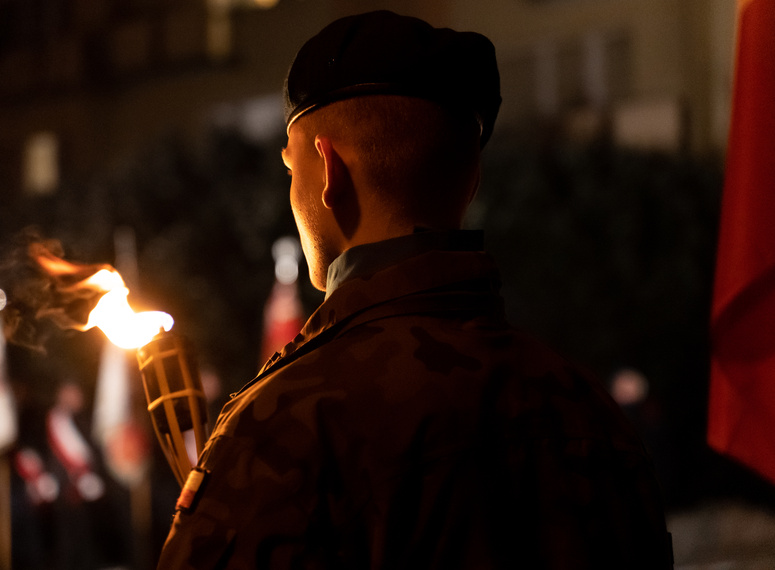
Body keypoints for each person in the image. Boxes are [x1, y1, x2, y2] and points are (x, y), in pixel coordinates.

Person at [157, 10, 673, 569]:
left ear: (328, 171)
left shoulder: (288, 424)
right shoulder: (588, 413)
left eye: (291, 169)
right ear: (471, 179)